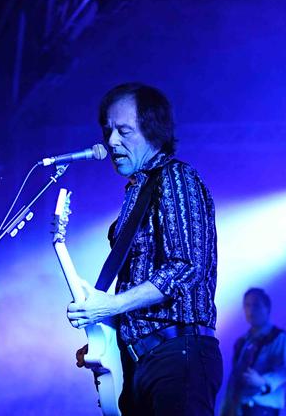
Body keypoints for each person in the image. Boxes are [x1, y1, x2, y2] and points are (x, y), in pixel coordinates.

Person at [67, 83, 222, 415]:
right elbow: (134, 286)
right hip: (140, 361)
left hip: (178, 354)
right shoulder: (135, 194)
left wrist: (112, 304)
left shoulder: (176, 178)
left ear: (153, 131)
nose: (110, 142)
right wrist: (106, 340)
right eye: (108, 131)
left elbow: (186, 267)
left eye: (123, 131)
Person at [221, 288, 286, 416]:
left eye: (256, 305)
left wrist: (263, 382)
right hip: (239, 408)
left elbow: (282, 372)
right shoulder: (242, 341)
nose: (251, 310)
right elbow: (234, 379)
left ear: (267, 308)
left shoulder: (279, 337)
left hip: (262, 407)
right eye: (247, 305)